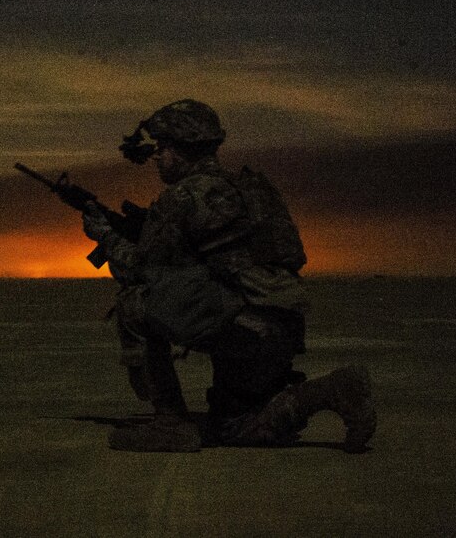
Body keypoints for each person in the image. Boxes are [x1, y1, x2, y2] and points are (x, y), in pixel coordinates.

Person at [81, 99, 376, 453]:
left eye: (163, 149)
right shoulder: (248, 189)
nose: (157, 157)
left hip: (243, 327)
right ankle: (330, 390)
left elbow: (139, 270)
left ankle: (170, 423)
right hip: (280, 325)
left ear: (182, 150)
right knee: (236, 427)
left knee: (135, 302)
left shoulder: (183, 197)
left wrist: (106, 237)